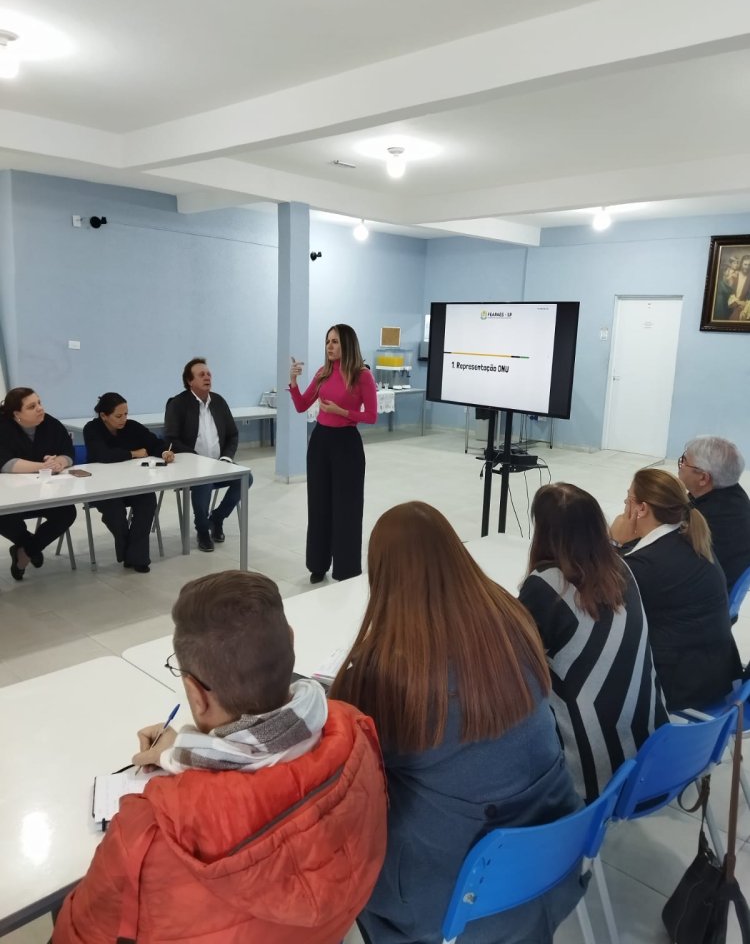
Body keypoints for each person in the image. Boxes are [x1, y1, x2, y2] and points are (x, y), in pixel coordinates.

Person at [53, 570, 388, 944]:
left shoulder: (149, 833)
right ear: (291, 642)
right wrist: (177, 755)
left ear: (196, 694)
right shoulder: (356, 733)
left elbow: (76, 934)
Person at [330, 502, 584, 944]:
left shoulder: (381, 675)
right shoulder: (512, 620)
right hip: (554, 857)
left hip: (463, 900)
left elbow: (347, 773)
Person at [518, 483, 668, 804]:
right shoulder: (622, 568)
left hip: (595, 779)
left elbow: (511, 667)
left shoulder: (545, 587)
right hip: (654, 761)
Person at [611, 468, 742, 710]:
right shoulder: (694, 540)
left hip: (681, 689)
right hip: (718, 675)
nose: (625, 507)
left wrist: (614, 543)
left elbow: (597, 595)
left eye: (629, 499)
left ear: (641, 509)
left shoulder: (644, 566)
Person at [289, 324, 377, 583]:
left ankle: (346, 569)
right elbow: (301, 405)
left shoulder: (362, 376)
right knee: (318, 505)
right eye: (327, 341)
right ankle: (317, 564)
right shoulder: (323, 373)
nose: (329, 346)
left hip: (346, 444)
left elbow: (371, 416)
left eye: (335, 341)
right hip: (320, 442)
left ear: (347, 344)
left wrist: (342, 412)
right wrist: (293, 381)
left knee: (346, 508)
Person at [164, 357, 250, 552]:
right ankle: (202, 530)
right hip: (191, 467)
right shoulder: (178, 404)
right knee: (205, 481)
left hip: (219, 463)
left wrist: (227, 457)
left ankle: (216, 519)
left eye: (209, 374)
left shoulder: (219, 401)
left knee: (246, 478)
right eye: (201, 374)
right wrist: (197, 459)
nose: (207, 377)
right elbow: (170, 438)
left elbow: (233, 434)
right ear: (189, 381)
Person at [83, 392, 174, 573]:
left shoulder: (131, 427)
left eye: (126, 414)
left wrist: (164, 452)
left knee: (148, 501)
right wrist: (133, 453)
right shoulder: (91, 429)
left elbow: (154, 443)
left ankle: (137, 557)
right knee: (115, 513)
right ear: (103, 416)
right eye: (118, 416)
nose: (124, 419)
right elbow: (103, 455)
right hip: (102, 486)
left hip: (132, 483)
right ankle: (132, 552)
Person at [0, 387, 76, 581]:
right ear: (17, 413)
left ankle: (25, 553)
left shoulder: (50, 423)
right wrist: (43, 466)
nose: (40, 409)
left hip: (45, 492)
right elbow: (7, 464)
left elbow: (68, 452)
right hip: (10, 495)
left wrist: (59, 462)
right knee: (3, 519)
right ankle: (30, 546)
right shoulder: (3, 427)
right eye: (32, 406)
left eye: (39, 403)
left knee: (67, 512)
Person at [677, 436, 750, 594]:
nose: (680, 466)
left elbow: (671, 563)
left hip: (700, 603)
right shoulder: (731, 492)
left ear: (703, 478)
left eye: (684, 461)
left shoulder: (709, 519)